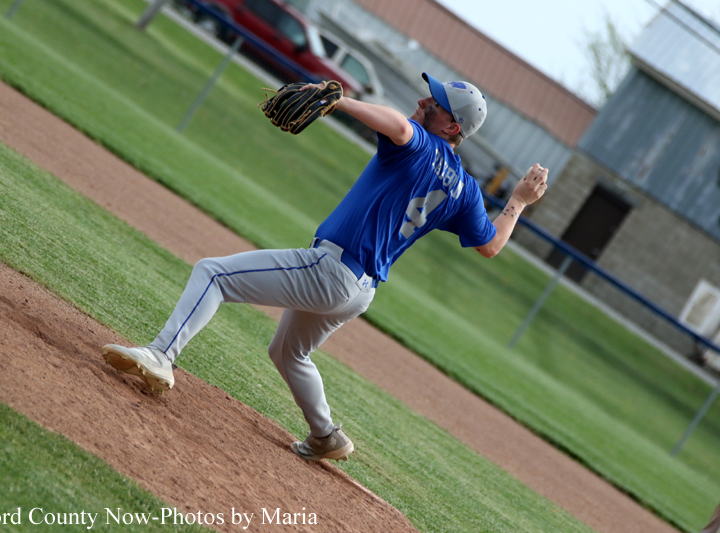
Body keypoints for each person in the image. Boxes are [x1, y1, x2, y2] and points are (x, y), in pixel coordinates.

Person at [102, 72, 548, 461]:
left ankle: (161, 356)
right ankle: (326, 436)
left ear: (451, 125)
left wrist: (339, 100)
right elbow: (491, 245)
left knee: (212, 274)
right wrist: (518, 201)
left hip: (332, 271)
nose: (420, 103)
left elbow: (397, 125)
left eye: (431, 104)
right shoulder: (467, 190)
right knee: (288, 352)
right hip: (360, 291)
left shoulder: (418, 146)